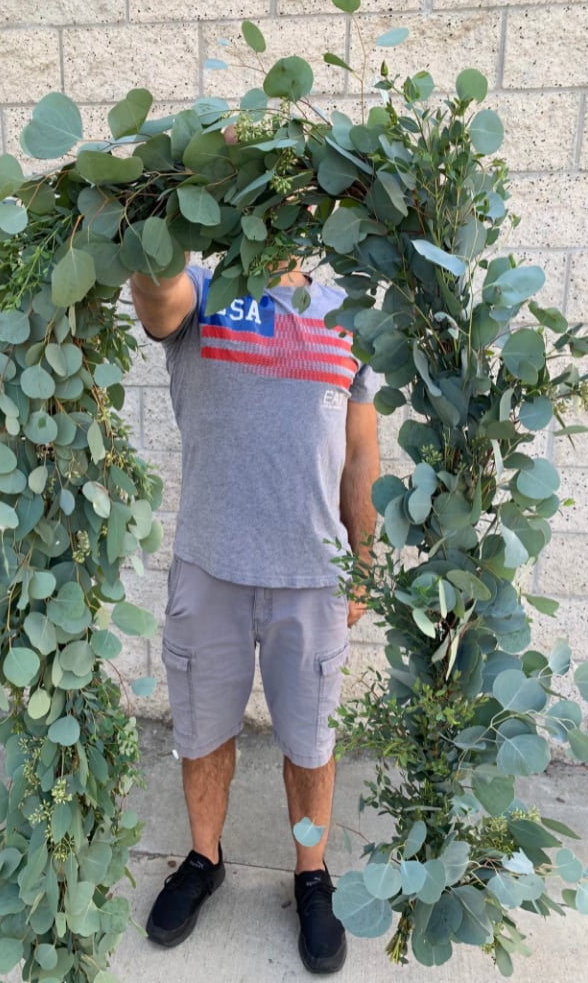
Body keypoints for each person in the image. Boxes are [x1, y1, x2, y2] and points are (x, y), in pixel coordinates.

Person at [129, 247, 380, 974]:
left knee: (310, 743)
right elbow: (156, 297)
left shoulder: (346, 313)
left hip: (314, 578)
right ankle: (205, 858)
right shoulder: (203, 290)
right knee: (204, 734)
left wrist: (365, 563)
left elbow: (361, 455)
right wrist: (156, 218)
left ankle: (310, 872)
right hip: (210, 570)